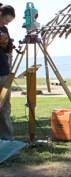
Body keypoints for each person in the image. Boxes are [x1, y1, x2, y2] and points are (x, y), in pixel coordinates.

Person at [0, 5, 15, 140]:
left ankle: (7, 138)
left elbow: (8, 50)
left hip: (4, 72)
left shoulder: (4, 30)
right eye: (6, 20)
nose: (6, 23)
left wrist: (6, 45)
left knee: (5, 108)